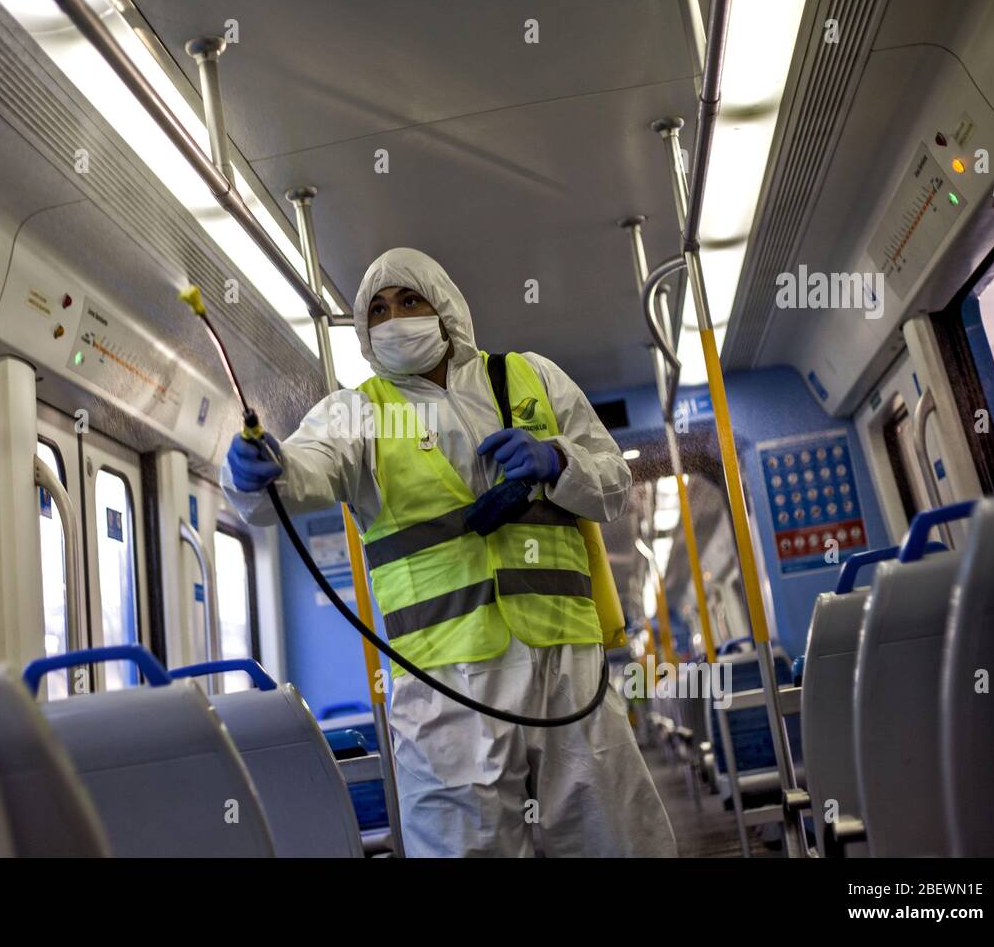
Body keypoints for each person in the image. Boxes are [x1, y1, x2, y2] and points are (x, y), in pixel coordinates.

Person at [221, 247, 676, 857]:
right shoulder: (357, 412)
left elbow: (614, 484)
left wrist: (558, 460)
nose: (395, 319)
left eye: (410, 300)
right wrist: (260, 472)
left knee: (616, 837)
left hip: (563, 663)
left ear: (446, 309)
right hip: (444, 689)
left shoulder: (531, 376)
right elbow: (305, 467)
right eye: (377, 311)